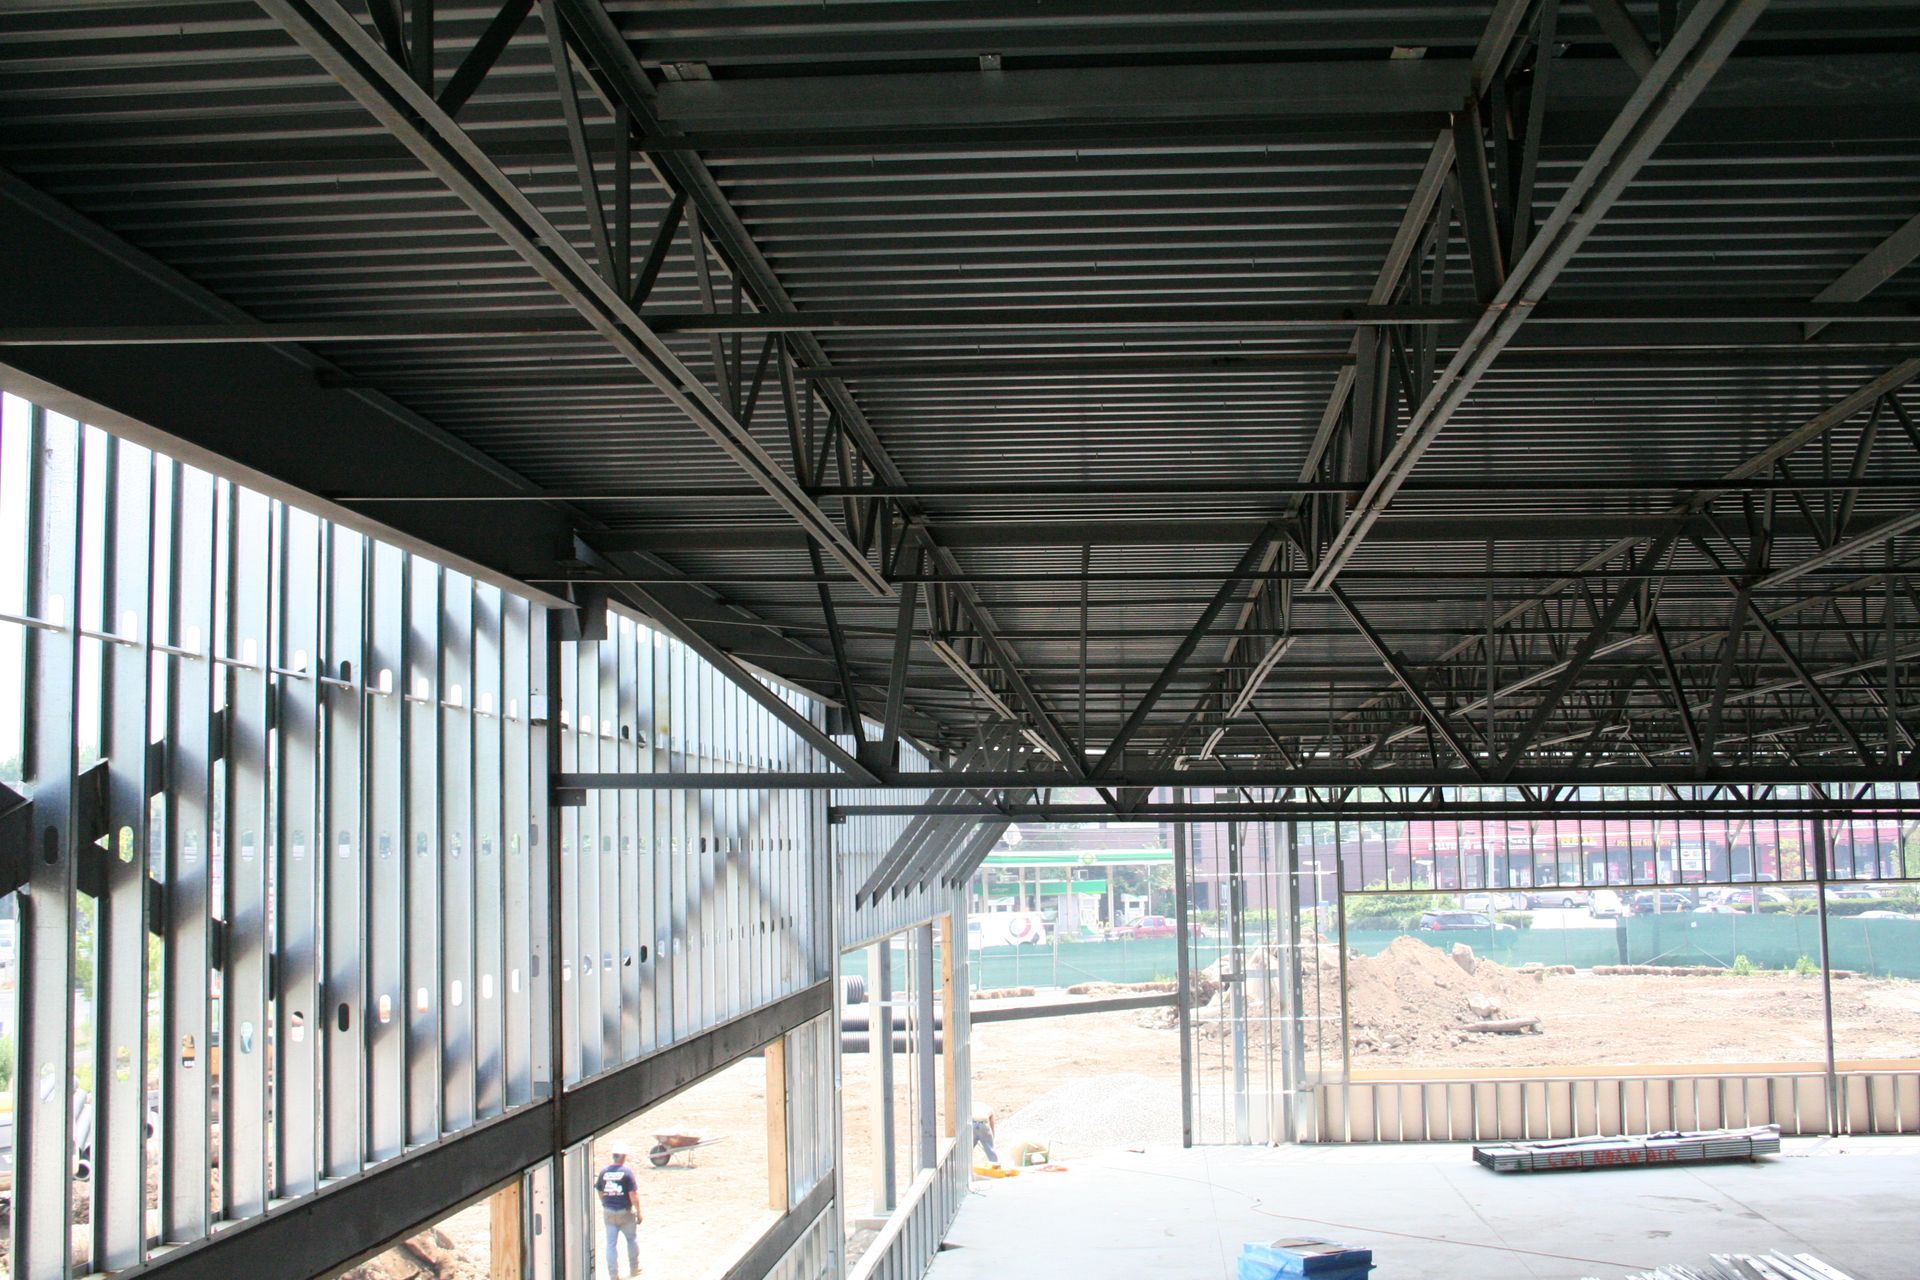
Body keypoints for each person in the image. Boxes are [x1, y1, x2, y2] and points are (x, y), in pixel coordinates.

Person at [595, 1142, 642, 1279]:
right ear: (623, 1157)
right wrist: (639, 1212)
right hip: (625, 1212)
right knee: (631, 1239)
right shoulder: (627, 1173)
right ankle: (634, 1268)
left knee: (611, 1244)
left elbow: (599, 1190)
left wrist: (604, 1202)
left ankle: (613, 1274)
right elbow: (633, 1195)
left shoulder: (604, 1172)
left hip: (609, 1212)